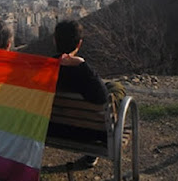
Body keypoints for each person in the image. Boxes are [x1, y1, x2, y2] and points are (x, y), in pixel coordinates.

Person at [49, 20, 126, 167]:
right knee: (116, 87)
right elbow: (103, 98)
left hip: (53, 129)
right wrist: (81, 64)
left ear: (54, 40)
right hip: (89, 133)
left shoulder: (44, 68)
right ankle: (91, 156)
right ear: (79, 44)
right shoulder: (84, 72)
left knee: (107, 87)